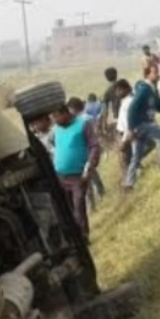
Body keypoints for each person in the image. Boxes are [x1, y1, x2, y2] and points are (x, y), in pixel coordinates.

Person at [49, 102, 101, 240]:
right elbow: (55, 145)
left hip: (78, 175)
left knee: (78, 206)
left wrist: (90, 165)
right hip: (60, 175)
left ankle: (83, 237)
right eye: (53, 118)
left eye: (57, 117)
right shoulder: (56, 129)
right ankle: (74, 236)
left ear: (66, 113)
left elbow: (94, 146)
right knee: (66, 209)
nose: (55, 120)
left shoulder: (82, 124)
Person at [124, 64, 160, 191]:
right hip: (141, 124)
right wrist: (131, 129)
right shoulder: (144, 89)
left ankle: (129, 183)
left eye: (158, 72)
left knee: (136, 156)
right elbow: (132, 108)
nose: (158, 75)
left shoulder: (152, 90)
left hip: (140, 125)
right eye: (155, 72)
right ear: (147, 74)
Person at [114, 79, 135, 187]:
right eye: (116, 90)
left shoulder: (128, 103)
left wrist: (123, 141)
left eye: (119, 90)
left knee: (126, 160)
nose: (117, 93)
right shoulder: (125, 101)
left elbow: (128, 125)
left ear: (126, 89)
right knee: (126, 159)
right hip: (123, 133)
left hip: (125, 134)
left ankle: (128, 183)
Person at [100, 68, 123, 141]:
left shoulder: (107, 91)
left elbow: (105, 110)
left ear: (107, 78)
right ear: (116, 74)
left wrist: (104, 124)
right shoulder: (124, 85)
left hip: (118, 116)